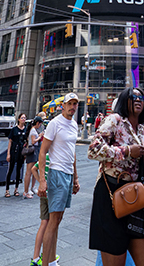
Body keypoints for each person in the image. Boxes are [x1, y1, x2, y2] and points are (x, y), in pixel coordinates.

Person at [88, 87, 144, 266]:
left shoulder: (142, 129)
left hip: (137, 198)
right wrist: (127, 151)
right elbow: (93, 150)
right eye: (133, 96)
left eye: (141, 97)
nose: (138, 100)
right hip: (112, 195)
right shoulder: (115, 120)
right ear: (124, 100)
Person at [38, 93, 80, 266]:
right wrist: (42, 180)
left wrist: (75, 177)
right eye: (70, 103)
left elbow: (72, 152)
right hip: (56, 173)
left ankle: (51, 261)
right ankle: (46, 263)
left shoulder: (74, 124)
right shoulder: (55, 123)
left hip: (68, 174)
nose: (72, 106)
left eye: (75, 104)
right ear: (63, 105)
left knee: (58, 220)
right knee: (53, 221)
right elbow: (42, 152)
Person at [6, 113, 28, 197]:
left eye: (24, 118)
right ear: (18, 119)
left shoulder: (26, 130)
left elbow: (26, 142)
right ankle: (7, 190)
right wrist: (8, 154)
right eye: (22, 118)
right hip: (14, 151)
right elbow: (10, 142)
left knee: (19, 170)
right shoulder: (14, 129)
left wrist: (25, 153)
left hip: (21, 152)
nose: (23, 119)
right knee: (10, 169)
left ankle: (16, 189)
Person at [23, 116, 44, 199]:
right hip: (32, 151)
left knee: (33, 170)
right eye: (40, 124)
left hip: (35, 151)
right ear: (38, 123)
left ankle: (30, 188)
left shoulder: (33, 130)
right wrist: (40, 136)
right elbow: (33, 141)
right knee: (29, 171)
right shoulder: (33, 130)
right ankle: (26, 191)